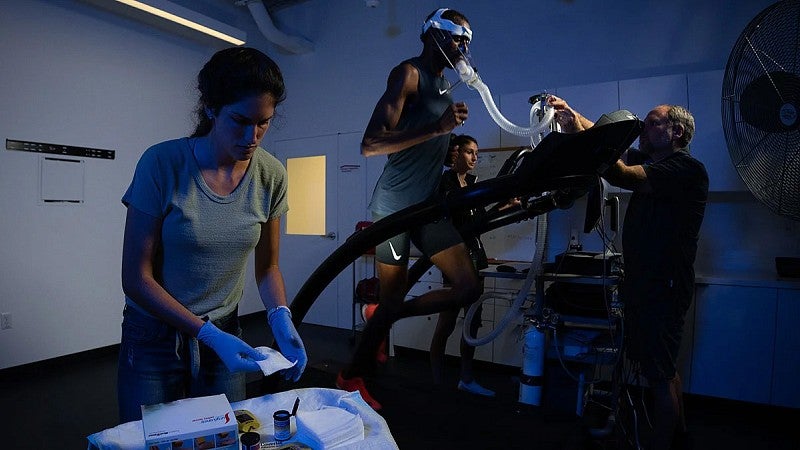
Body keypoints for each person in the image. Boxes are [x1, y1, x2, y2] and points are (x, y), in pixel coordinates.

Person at [117, 47, 307, 423]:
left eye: (264, 123)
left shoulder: (271, 175)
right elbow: (136, 278)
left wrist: (281, 318)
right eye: (239, 120)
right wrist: (204, 335)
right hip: (155, 335)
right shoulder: (162, 164)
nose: (252, 136)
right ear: (210, 108)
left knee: (226, 439)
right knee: (153, 439)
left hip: (226, 331)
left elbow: (268, 268)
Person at [335, 8, 480, 410]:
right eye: (455, 37)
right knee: (393, 295)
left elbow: (431, 145)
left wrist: (447, 144)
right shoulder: (408, 74)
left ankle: (383, 314)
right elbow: (370, 144)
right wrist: (436, 129)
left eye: (467, 40)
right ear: (431, 34)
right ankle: (350, 377)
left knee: (468, 287)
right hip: (394, 208)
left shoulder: (446, 86)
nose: (462, 46)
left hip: (428, 205)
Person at [554, 100, 708, 450]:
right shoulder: (656, 162)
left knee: (659, 374)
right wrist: (572, 115)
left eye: (651, 123)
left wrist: (588, 147)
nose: (641, 129)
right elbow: (610, 139)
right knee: (664, 366)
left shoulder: (684, 169)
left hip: (663, 287)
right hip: (647, 284)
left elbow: (621, 173)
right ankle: (679, 436)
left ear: (675, 132)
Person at [430, 134, 495, 396]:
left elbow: (480, 220)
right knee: (447, 322)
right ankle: (437, 382)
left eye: (476, 153)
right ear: (456, 154)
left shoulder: (472, 184)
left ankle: (466, 379)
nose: (474, 158)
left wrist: (502, 207)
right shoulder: (444, 184)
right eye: (469, 152)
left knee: (472, 322)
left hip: (477, 258)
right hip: (454, 262)